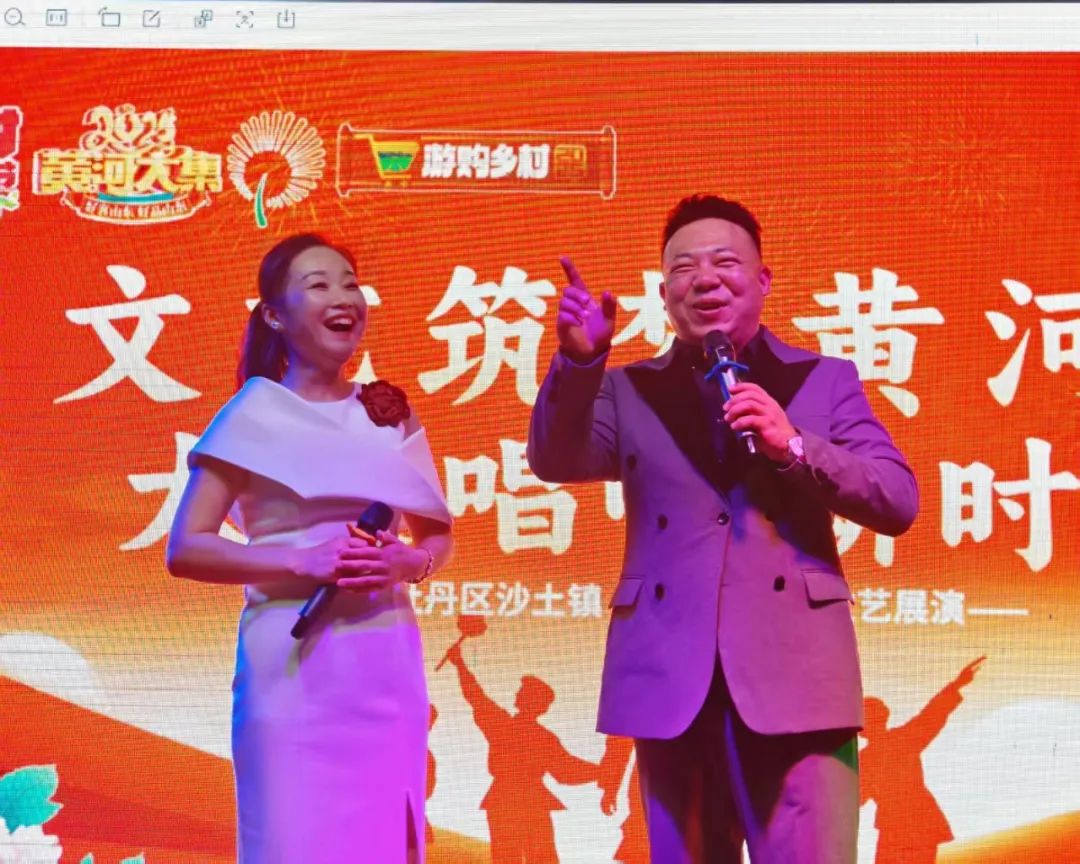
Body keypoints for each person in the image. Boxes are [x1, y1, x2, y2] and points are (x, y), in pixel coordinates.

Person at [527, 194, 919, 863]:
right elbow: (554, 459)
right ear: (663, 294)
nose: (704, 280)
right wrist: (580, 363)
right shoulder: (627, 390)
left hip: (798, 680)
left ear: (763, 279)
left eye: (724, 263)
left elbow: (896, 498)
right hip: (671, 681)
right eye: (683, 268)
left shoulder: (822, 380)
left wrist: (794, 446)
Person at [165, 233, 453, 864]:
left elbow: (436, 534)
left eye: (350, 283)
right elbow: (186, 546)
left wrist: (411, 562)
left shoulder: (387, 412)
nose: (343, 297)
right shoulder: (253, 413)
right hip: (291, 665)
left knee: (382, 843)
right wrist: (299, 559)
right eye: (319, 285)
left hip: (383, 663)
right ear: (274, 315)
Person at [443, 641, 599, 863]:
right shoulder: (542, 737)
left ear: (531, 700)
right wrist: (602, 772)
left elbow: (476, 697)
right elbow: (566, 770)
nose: (517, 693)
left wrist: (460, 664)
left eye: (523, 691)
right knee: (537, 858)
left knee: (514, 858)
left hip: (507, 800)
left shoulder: (504, 725)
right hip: (527, 800)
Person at [860, 657, 986, 864]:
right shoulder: (891, 745)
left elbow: (932, 715)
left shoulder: (895, 743)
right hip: (907, 826)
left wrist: (956, 685)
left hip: (910, 826)